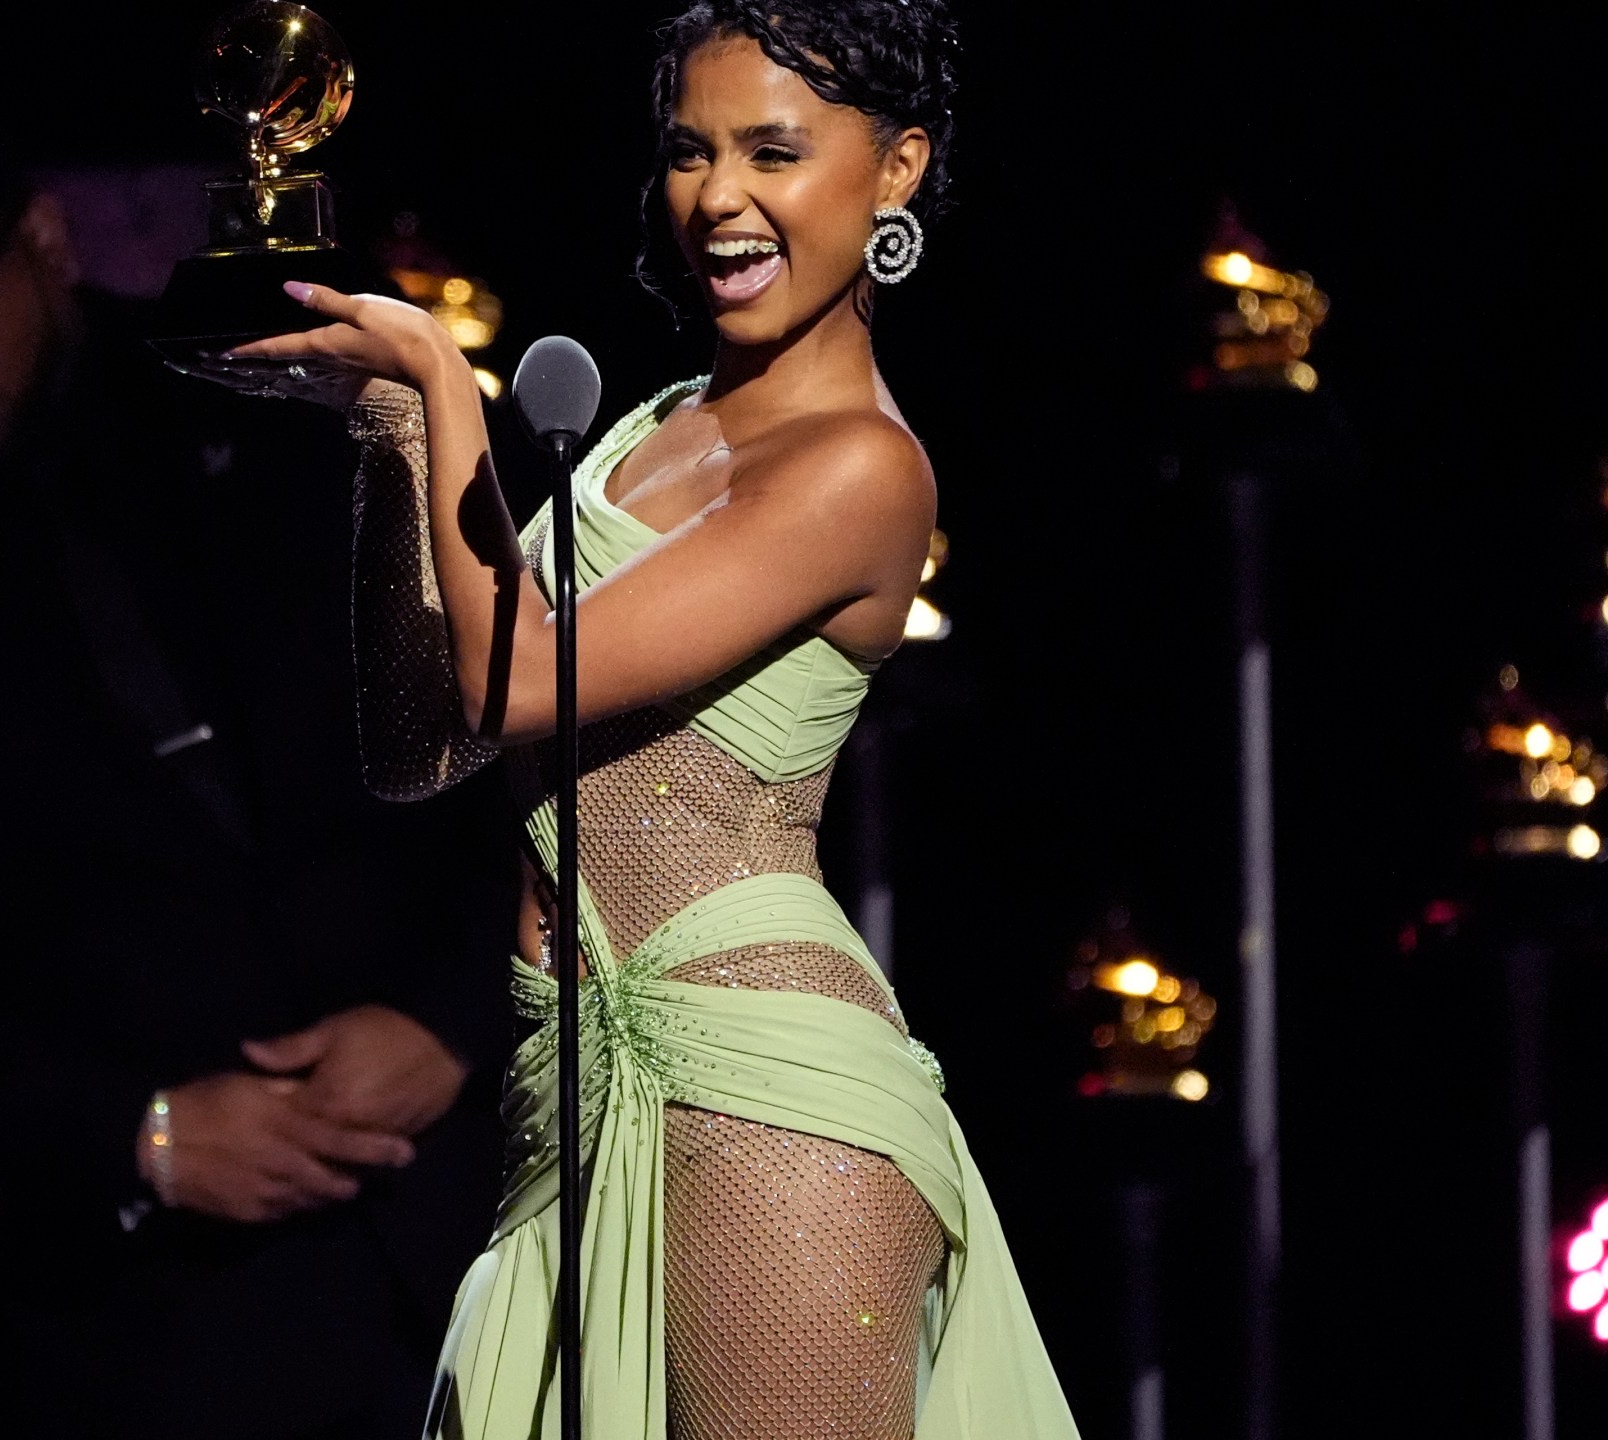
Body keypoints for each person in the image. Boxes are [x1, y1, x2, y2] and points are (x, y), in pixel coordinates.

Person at [218, 2, 1083, 1436]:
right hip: (574, 1087)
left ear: (898, 169)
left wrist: (440, 383)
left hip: (760, 1095)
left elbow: (518, 686)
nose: (720, 199)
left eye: (774, 152)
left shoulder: (861, 469)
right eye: (691, 151)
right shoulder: (652, 426)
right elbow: (426, 737)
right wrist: (382, 425)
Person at [0, 143, 521, 1439]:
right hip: (139, 1326)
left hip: (483, 1231)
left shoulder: (305, 398)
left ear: (40, 237)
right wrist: (137, 1138)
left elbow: (557, 741)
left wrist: (451, 1020)